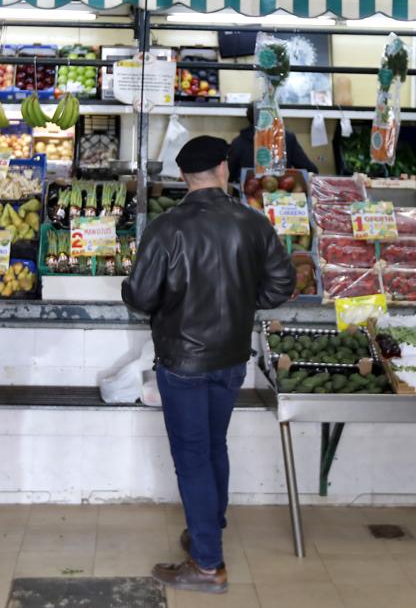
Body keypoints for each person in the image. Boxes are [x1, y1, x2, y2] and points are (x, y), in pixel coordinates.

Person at [123, 135, 295, 595]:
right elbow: (281, 285)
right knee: (213, 446)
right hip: (232, 358)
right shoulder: (254, 223)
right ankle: (208, 528)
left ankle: (207, 564)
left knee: (193, 458)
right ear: (223, 168)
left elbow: (139, 296)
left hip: (182, 359)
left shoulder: (166, 227)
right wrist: (242, 303)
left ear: (183, 177)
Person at [227, 102, 320, 180]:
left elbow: (229, 176)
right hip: (281, 195)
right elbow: (310, 170)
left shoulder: (239, 142)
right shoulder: (287, 138)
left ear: (249, 118)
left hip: (248, 195)